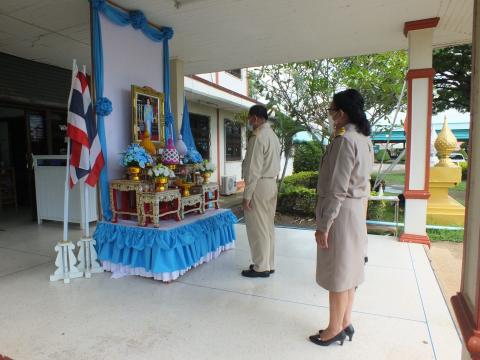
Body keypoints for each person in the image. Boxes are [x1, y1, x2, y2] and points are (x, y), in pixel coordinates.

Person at [309, 89, 374, 346]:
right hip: (355, 212)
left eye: (331, 110)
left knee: (338, 274)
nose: (330, 115)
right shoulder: (364, 139)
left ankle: (334, 329)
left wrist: (324, 225)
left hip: (341, 214)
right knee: (349, 272)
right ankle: (345, 322)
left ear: (341, 113)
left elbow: (337, 188)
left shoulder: (344, 141)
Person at [241, 105, 281, 278]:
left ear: (256, 118)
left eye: (250, 118)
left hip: (259, 185)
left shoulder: (257, 137)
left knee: (258, 228)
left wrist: (247, 195)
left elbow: (253, 170)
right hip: (271, 184)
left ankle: (260, 266)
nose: (249, 122)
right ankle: (268, 263)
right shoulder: (273, 135)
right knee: (267, 226)